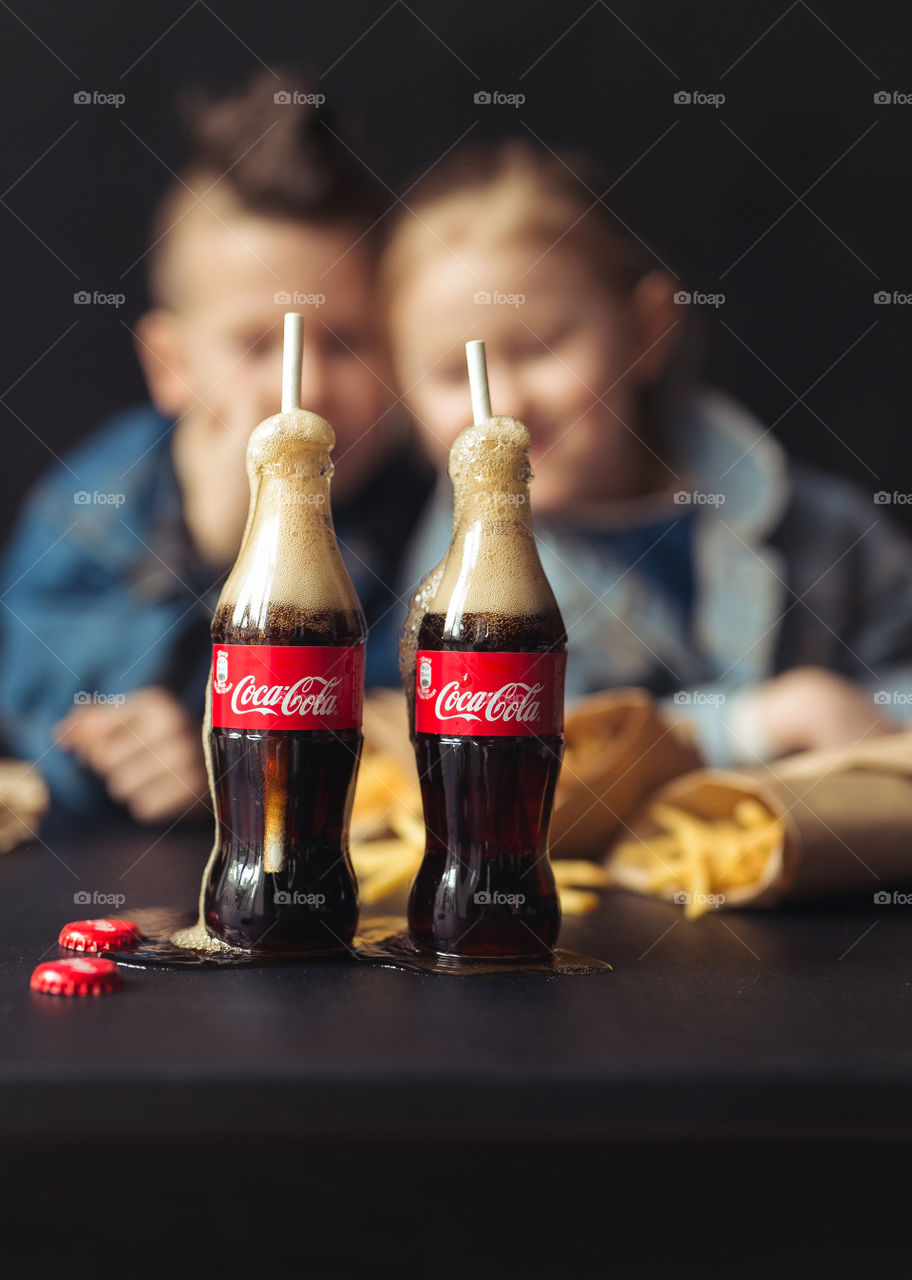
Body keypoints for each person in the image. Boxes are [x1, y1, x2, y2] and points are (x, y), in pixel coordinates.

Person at [379, 140, 912, 765]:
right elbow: (522, 751)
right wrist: (753, 726)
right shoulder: (452, 589)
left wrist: (867, 712)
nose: (505, 405)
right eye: (453, 374)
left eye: (540, 347)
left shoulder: (821, 523)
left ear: (646, 331)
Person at [0, 70, 432, 821]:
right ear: (171, 364)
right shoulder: (98, 502)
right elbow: (31, 708)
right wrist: (202, 548)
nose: (309, 391)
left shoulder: (425, 507)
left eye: (349, 342)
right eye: (256, 345)